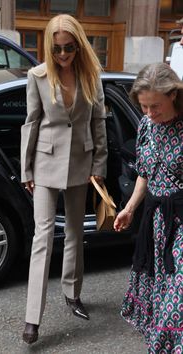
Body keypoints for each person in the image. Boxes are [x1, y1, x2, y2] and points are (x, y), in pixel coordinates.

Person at [20, 14, 107, 344]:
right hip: (44, 163)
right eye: (57, 49)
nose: (63, 55)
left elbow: (98, 123)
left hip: (80, 162)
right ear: (49, 46)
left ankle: (72, 294)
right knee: (43, 236)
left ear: (78, 44)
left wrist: (99, 164)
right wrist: (26, 169)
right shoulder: (38, 76)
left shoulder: (91, 76)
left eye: (69, 48)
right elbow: (31, 123)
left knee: (74, 232)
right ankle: (32, 319)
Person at [114, 62, 183, 353]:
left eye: (155, 106)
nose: (150, 113)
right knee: (164, 290)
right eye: (144, 107)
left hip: (181, 220)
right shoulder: (146, 126)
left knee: (176, 296)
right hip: (156, 221)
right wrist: (129, 208)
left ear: (175, 96)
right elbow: (146, 171)